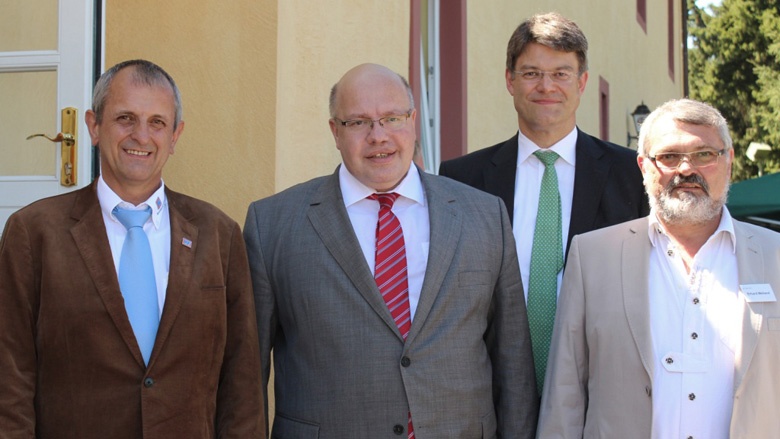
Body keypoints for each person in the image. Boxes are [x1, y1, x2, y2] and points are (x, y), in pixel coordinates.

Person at [244, 63, 538, 438]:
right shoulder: (272, 225)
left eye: (392, 118)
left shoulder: (485, 215)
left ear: (414, 121)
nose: (378, 136)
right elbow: (246, 376)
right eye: (358, 122)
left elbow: (513, 364)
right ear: (335, 131)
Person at [0, 59, 264, 438]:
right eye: (126, 118)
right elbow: (10, 374)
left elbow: (242, 380)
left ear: (175, 136)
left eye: (157, 122)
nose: (141, 136)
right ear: (94, 126)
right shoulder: (34, 233)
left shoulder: (218, 234)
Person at [537, 98, 780, 437]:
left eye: (704, 154)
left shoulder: (775, 256)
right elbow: (565, 395)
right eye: (668, 157)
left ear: (729, 161)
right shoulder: (592, 256)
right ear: (643, 166)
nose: (685, 169)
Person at [438, 12, 649, 394]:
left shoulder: (631, 175)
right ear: (510, 81)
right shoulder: (461, 179)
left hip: (600, 390)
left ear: (582, 82)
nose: (546, 86)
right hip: (492, 392)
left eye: (561, 73)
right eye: (532, 72)